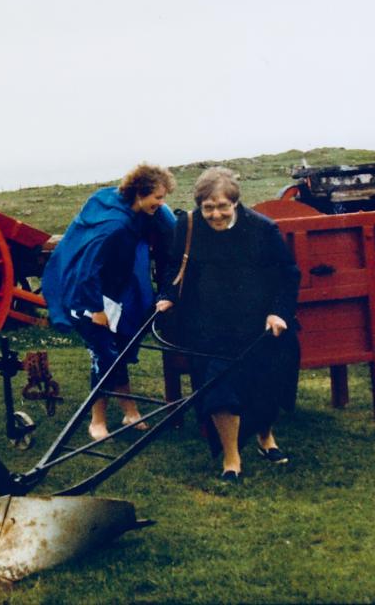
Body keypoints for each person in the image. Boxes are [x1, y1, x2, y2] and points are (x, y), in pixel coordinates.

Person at [156, 166, 300, 483]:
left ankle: (265, 437)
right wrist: (166, 295)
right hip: (208, 325)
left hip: (257, 323)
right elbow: (173, 266)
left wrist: (278, 312)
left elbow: (288, 275)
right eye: (208, 207)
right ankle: (231, 457)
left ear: (235, 202)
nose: (216, 214)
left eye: (222, 206)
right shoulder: (187, 226)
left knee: (265, 383)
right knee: (217, 385)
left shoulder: (263, 229)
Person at [42, 163, 176, 440]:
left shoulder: (134, 211)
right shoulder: (115, 226)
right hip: (86, 298)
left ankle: (130, 411)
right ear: (140, 193)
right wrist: (96, 310)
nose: (162, 203)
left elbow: (169, 226)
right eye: (158, 197)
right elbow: (86, 270)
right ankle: (97, 420)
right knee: (104, 356)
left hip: (111, 294)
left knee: (118, 351)